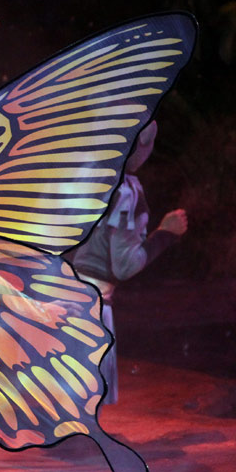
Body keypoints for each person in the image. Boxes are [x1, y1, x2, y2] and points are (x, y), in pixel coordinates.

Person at [69, 120, 188, 403]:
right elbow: (125, 264)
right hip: (88, 307)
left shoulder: (85, 177)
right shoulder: (125, 191)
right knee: (82, 402)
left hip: (56, 295)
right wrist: (165, 234)